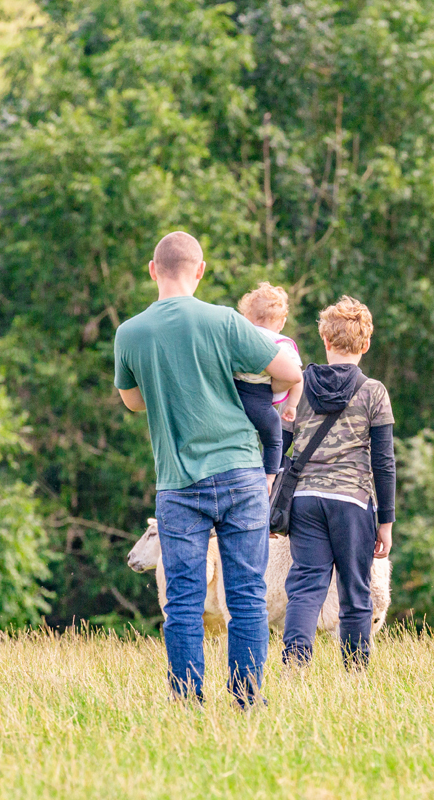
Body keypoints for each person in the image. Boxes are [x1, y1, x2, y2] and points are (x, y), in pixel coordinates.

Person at [113, 231, 303, 706]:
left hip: (178, 483)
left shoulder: (130, 333)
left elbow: (133, 402)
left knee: (182, 600)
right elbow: (290, 371)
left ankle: (186, 700)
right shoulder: (225, 321)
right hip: (241, 473)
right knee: (247, 595)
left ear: (153, 270)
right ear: (200, 271)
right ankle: (247, 699)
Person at [280, 296, 396, 670]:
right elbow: (383, 462)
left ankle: (295, 666)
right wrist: (386, 521)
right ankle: (355, 672)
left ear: (325, 340)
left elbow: (279, 444)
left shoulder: (299, 385)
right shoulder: (374, 391)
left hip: (305, 501)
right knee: (355, 590)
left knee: (305, 587)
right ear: (366, 344)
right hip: (352, 502)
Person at [233, 282, 304, 487]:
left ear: (246, 316)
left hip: (233, 395)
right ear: (281, 322)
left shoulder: (239, 336)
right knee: (273, 439)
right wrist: (291, 406)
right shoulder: (281, 343)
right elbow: (297, 377)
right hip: (260, 400)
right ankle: (269, 478)